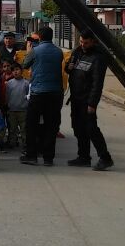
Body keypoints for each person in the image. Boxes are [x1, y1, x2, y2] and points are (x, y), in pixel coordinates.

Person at [65, 31, 114, 171]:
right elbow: (69, 68)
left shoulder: (98, 58)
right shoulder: (78, 53)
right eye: (81, 42)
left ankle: (105, 158)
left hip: (87, 100)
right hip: (75, 98)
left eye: (86, 43)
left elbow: (97, 83)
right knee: (78, 128)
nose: (83, 45)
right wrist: (68, 67)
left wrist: (92, 103)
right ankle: (83, 157)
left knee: (91, 129)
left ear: (93, 42)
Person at [20, 26, 64, 166]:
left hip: (38, 92)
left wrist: (29, 50)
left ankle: (31, 155)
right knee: (51, 126)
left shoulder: (35, 51)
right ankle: (48, 158)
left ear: (39, 36)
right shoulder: (58, 52)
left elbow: (25, 65)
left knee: (31, 125)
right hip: (55, 92)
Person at [5, 62, 29, 151]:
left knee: (24, 129)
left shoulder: (26, 83)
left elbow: (28, 96)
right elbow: (7, 96)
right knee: (12, 129)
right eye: (13, 71)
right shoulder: (9, 83)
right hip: (12, 110)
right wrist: (7, 106)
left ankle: (25, 143)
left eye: (17, 70)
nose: (15, 72)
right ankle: (12, 142)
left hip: (23, 110)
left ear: (21, 71)